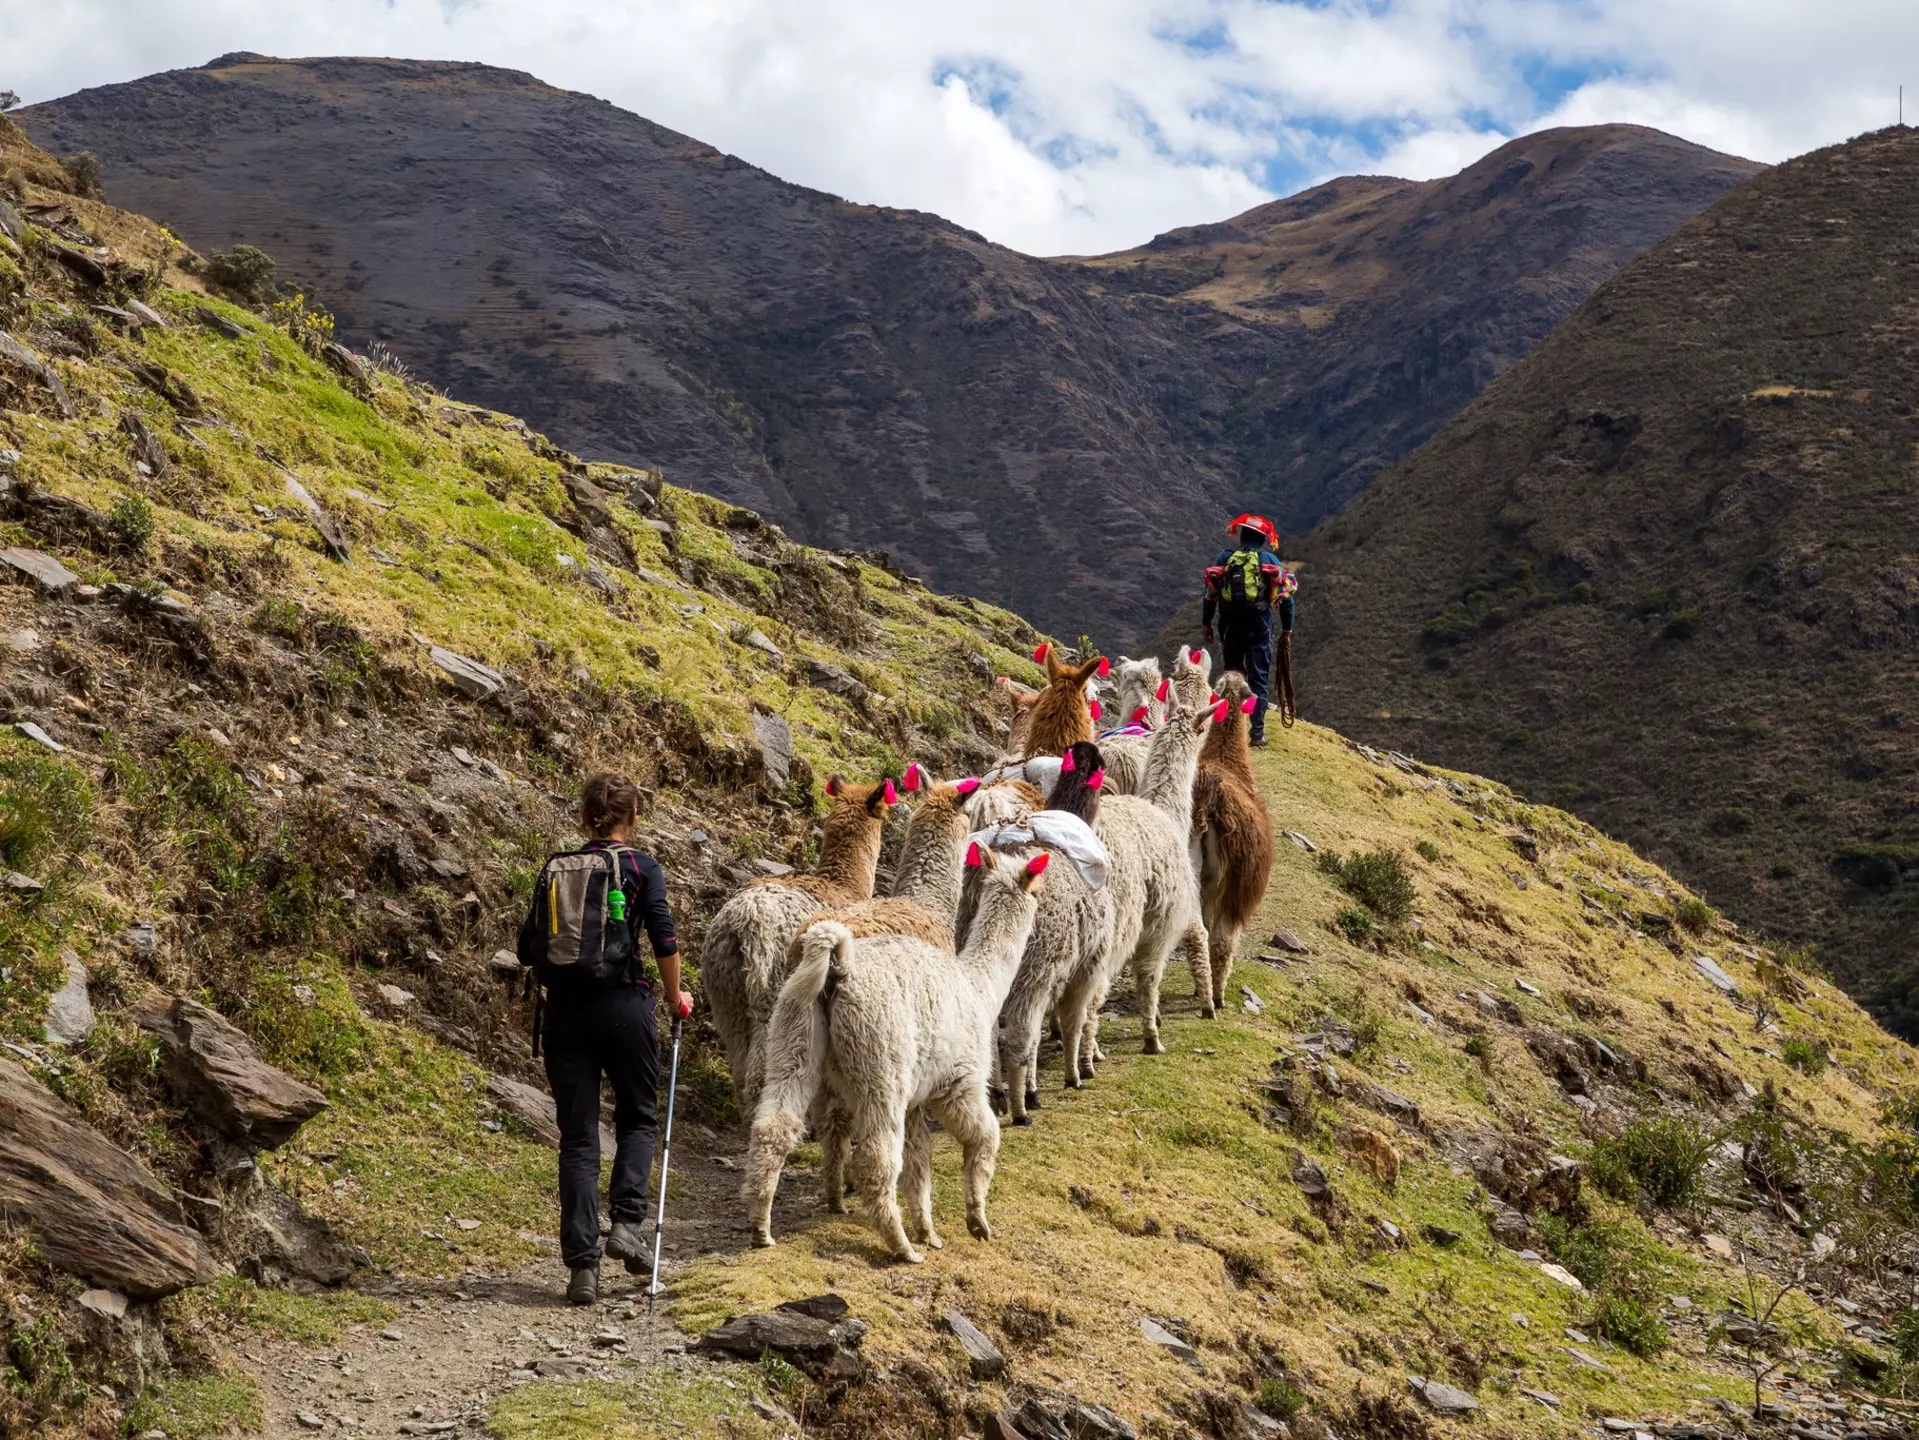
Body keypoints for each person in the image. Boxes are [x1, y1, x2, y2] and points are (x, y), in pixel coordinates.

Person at [516, 772, 694, 1307]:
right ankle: (626, 1225)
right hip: (625, 1007)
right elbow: (663, 936)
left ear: (583, 817)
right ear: (632, 817)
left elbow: (528, 947)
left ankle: (581, 1271)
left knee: (578, 1136)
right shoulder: (642, 866)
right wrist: (675, 995)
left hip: (565, 1014)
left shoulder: (556, 868)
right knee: (638, 1116)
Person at [1201, 513, 1297, 746]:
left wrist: (1207, 623)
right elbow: (1286, 598)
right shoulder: (1270, 560)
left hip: (1230, 625)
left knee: (1233, 676)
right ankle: (1256, 734)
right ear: (1263, 539)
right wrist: (1287, 631)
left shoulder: (1226, 557)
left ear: (1242, 536)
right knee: (1258, 678)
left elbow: (1210, 593)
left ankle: (1230, 729)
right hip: (1259, 626)